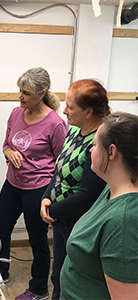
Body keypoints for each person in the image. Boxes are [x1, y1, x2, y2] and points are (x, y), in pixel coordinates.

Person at [0, 67, 67, 300]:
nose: (19, 96)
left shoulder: (55, 124)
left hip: (37, 189)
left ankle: (39, 288)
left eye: (25, 92)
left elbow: (61, 163)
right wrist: (9, 153)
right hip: (12, 185)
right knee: (0, 231)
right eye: (19, 90)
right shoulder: (16, 113)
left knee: (38, 241)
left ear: (41, 93)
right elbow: (5, 144)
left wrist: (50, 195)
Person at [40, 79, 110, 300]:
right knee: (58, 273)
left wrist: (52, 211)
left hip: (77, 224)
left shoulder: (98, 144)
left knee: (72, 278)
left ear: (88, 111)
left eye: (70, 106)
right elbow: (58, 170)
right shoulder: (74, 131)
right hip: (62, 218)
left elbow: (87, 198)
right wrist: (45, 197)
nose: (64, 111)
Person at [60, 112, 138, 300]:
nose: (90, 151)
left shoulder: (124, 221)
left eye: (94, 145)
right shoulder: (110, 188)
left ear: (111, 152)